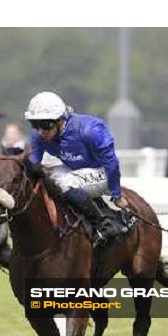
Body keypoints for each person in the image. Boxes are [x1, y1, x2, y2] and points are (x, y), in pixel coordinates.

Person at [25, 91, 128, 247]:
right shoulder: (39, 135)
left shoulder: (90, 130)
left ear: (60, 120)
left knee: (64, 183)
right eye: (35, 124)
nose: (40, 131)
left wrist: (116, 194)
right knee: (46, 175)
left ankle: (104, 224)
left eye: (46, 124)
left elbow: (112, 163)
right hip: (74, 170)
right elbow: (34, 165)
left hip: (103, 172)